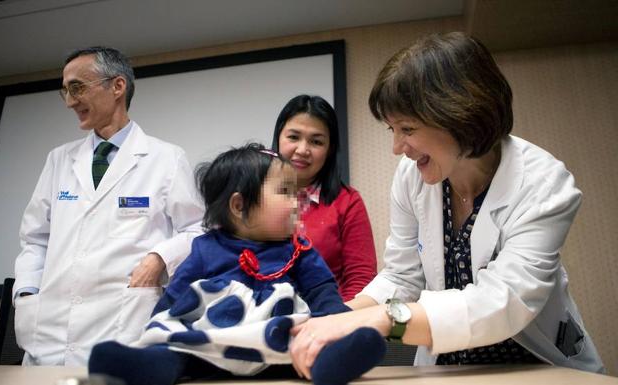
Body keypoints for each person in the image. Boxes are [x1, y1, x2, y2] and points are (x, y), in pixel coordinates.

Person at [289, 32, 605, 378]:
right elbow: (401, 275)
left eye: (407, 128)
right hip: (449, 366)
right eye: (391, 129)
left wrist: (382, 319)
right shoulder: (412, 177)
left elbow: (504, 302)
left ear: (459, 114)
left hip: (537, 363)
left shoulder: (544, 183)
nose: (397, 147)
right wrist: (333, 318)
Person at [88, 143, 385, 385]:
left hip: (277, 346)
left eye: (297, 194)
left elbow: (324, 296)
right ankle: (148, 364)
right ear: (239, 205)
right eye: (285, 193)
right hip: (209, 346)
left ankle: (333, 362)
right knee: (175, 351)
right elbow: (174, 300)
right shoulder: (205, 248)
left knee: (309, 351)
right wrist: (156, 332)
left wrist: (341, 327)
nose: (297, 203)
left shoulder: (300, 251)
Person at [13, 46, 204, 366]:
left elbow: (198, 230)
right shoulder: (59, 159)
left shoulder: (166, 158)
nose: (71, 101)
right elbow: (34, 238)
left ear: (117, 86)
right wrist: (27, 294)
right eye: (65, 91)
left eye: (77, 87)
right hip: (51, 334)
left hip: (125, 325)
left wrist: (160, 257)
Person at [272, 95, 377, 301]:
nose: (302, 150)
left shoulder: (348, 201)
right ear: (278, 137)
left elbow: (360, 278)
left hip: (328, 320)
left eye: (316, 141)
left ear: (329, 150)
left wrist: (338, 320)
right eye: (293, 137)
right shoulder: (255, 195)